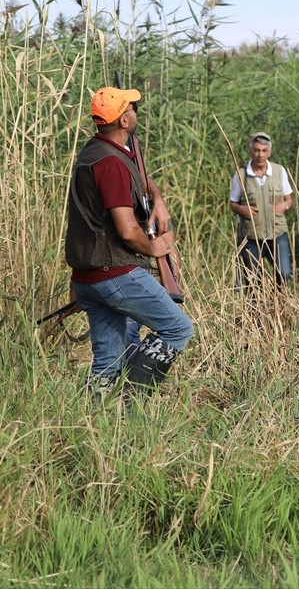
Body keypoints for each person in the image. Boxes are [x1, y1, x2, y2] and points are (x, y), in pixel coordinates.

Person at [65, 85, 195, 400]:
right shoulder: (110, 164)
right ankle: (132, 399)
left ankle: (91, 421)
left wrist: (158, 197)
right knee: (178, 329)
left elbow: (137, 176)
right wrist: (157, 249)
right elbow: (126, 230)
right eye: (131, 109)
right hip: (116, 274)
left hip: (90, 278)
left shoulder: (100, 151)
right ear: (124, 121)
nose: (135, 112)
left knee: (108, 361)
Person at [229, 132, 294, 286]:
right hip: (251, 235)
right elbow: (232, 203)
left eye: (264, 151)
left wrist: (283, 206)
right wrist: (241, 209)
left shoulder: (279, 171)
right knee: (253, 281)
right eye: (257, 150)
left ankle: (277, 304)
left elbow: (289, 199)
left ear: (269, 152)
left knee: (284, 274)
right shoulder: (241, 174)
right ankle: (255, 309)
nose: (260, 155)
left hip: (277, 233)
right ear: (251, 151)